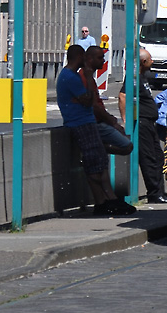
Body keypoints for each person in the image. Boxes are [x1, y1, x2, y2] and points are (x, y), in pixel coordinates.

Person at [56, 45, 134, 215]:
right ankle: (104, 202)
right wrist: (90, 80)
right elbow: (87, 101)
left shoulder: (68, 76)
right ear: (79, 57)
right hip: (81, 123)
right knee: (95, 164)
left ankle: (106, 201)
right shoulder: (71, 77)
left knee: (98, 163)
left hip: (83, 123)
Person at [118, 48, 167, 203]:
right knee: (149, 158)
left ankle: (159, 191)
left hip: (149, 122)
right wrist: (125, 120)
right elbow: (122, 96)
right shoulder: (134, 78)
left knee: (158, 156)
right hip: (142, 123)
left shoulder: (143, 77)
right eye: (150, 59)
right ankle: (154, 194)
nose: (153, 62)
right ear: (143, 62)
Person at [82, 46, 133, 157]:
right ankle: (97, 147)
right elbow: (94, 105)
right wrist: (112, 121)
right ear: (90, 59)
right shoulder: (85, 78)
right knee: (127, 145)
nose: (103, 61)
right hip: (95, 123)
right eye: (100, 58)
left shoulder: (88, 77)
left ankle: (97, 147)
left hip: (98, 121)